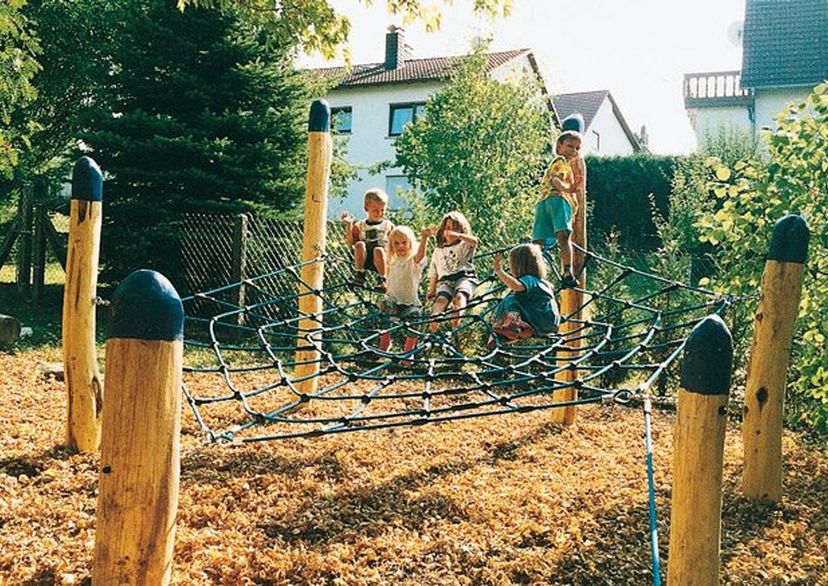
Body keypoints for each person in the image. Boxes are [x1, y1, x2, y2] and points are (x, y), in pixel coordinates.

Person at [533, 130, 583, 289]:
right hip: (558, 200)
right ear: (559, 146)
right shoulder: (561, 162)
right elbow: (556, 180)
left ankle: (532, 270)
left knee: (538, 241)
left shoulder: (558, 163)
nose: (574, 150)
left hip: (543, 203)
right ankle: (567, 271)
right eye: (570, 146)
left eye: (577, 148)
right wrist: (569, 189)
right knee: (564, 236)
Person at [490, 243, 560, 344]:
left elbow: (517, 287)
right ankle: (520, 332)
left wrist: (499, 271)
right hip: (548, 322)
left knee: (511, 300)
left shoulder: (529, 278)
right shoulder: (542, 282)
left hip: (540, 317)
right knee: (514, 299)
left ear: (518, 265)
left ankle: (512, 328)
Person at [377, 225, 429, 353]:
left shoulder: (413, 261)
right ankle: (384, 343)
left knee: (415, 319)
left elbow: (421, 255)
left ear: (411, 243)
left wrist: (424, 238)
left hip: (410, 303)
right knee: (384, 305)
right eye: (396, 243)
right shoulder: (391, 261)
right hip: (393, 301)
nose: (400, 246)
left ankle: (408, 352)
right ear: (391, 246)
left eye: (404, 243)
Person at [426, 211, 479, 331]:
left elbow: (474, 241)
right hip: (445, 281)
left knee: (459, 296)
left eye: (456, 228)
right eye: (448, 228)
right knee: (441, 299)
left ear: (462, 230)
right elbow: (433, 272)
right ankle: (435, 317)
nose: (451, 231)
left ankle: (457, 315)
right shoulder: (438, 251)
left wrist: (458, 236)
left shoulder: (463, 245)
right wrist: (432, 290)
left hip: (464, 277)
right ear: (443, 231)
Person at [341, 188, 394, 287]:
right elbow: (350, 242)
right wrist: (349, 226)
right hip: (365, 258)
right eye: (375, 210)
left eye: (382, 210)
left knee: (378, 249)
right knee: (359, 244)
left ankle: (383, 279)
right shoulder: (360, 225)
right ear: (366, 209)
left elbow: (394, 242)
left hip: (381, 258)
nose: (379, 213)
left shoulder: (388, 225)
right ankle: (360, 274)